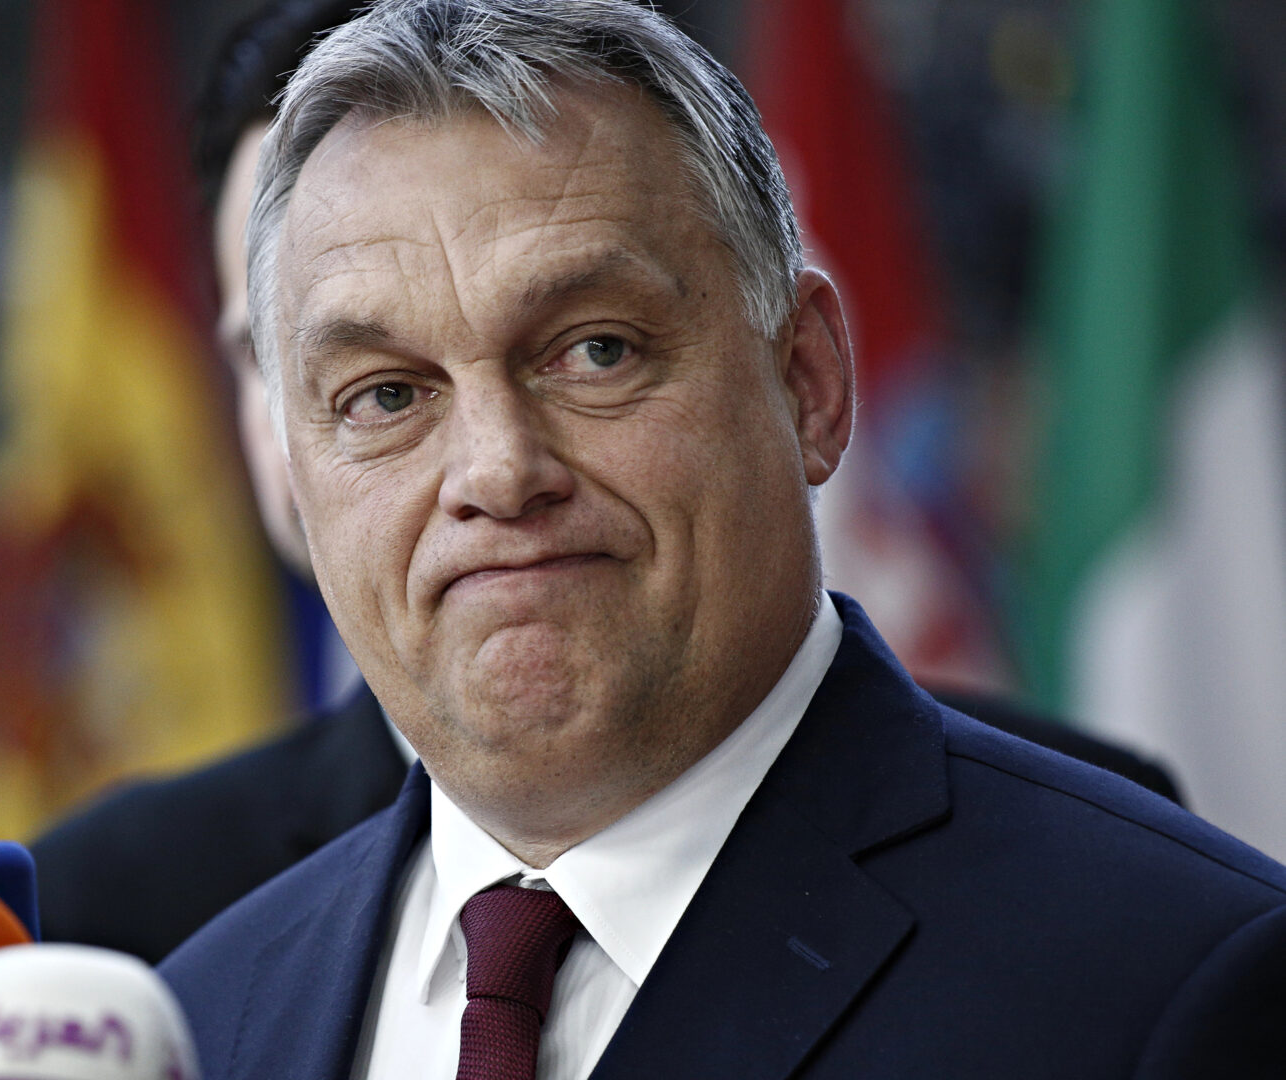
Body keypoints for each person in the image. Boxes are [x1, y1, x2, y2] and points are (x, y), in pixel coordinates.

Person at [156, 0, 1286, 1076]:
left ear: (809, 383)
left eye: (596, 350)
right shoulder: (197, 1025)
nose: (496, 472)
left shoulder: (1173, 986)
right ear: (292, 467)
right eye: (388, 396)